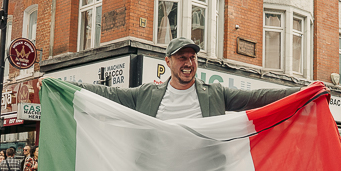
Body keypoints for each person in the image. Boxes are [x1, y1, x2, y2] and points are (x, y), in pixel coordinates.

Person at [77, 37, 300, 120]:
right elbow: (109, 93)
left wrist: (302, 92)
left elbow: (256, 97)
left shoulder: (215, 93)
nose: (189, 63)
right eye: (182, 57)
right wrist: (66, 85)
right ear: (168, 61)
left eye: (193, 57)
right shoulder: (146, 94)